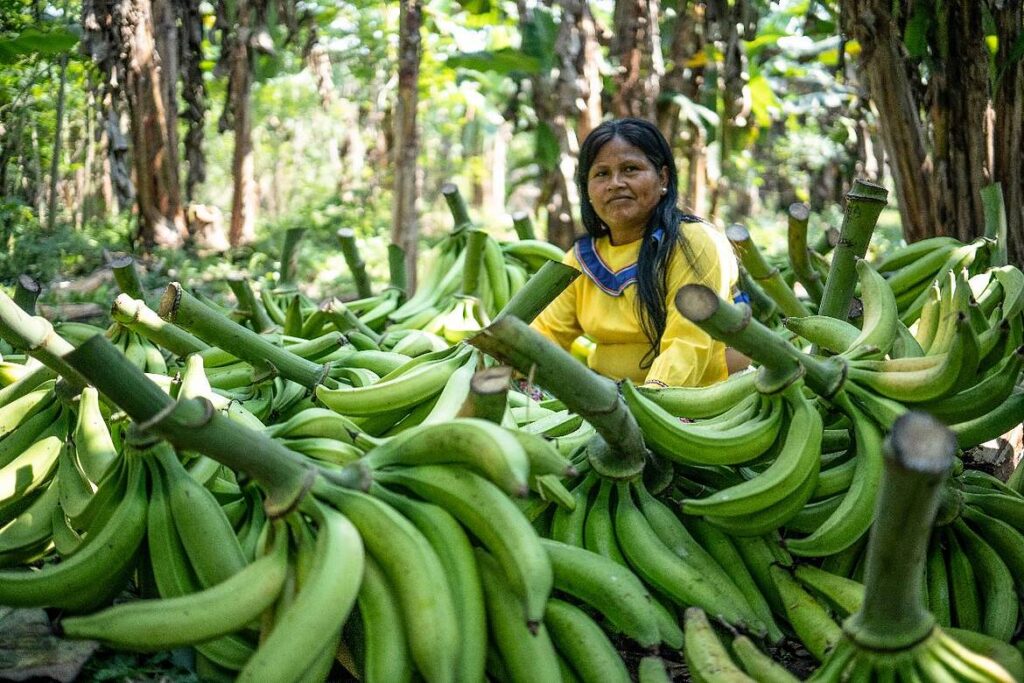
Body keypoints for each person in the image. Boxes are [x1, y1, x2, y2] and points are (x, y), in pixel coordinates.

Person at [531, 117, 742, 387]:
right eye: (601, 174)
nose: (615, 183)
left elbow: (687, 342)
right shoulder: (582, 258)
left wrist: (648, 402)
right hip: (609, 398)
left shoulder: (693, 243)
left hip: (695, 401)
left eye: (630, 169)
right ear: (587, 189)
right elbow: (545, 334)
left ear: (662, 178)